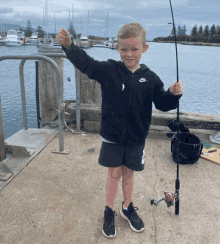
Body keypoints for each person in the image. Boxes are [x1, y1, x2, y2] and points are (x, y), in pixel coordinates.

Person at [56, 23, 183, 239]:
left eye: (134, 49)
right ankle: (108, 210)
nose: (129, 54)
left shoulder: (151, 78)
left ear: (145, 48)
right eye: (124, 49)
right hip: (112, 136)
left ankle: (127, 207)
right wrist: (69, 46)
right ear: (117, 48)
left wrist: (173, 94)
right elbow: (87, 64)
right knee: (113, 173)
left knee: (129, 173)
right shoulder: (109, 69)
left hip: (136, 138)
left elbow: (162, 103)